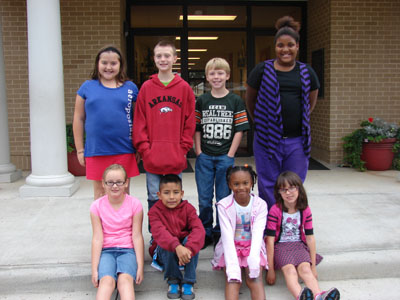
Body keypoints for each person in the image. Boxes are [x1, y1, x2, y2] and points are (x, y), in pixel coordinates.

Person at [245, 16, 320, 209]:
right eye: (280, 45)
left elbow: (310, 104)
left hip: (297, 140)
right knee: (268, 184)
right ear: (275, 46)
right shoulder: (262, 70)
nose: (285, 49)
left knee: (293, 185)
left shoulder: (307, 72)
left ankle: (290, 223)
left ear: (297, 46)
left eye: (290, 45)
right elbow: (250, 100)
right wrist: (262, 124)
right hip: (267, 140)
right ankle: (271, 225)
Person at [133, 40, 196, 218]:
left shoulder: (184, 88)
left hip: (175, 155)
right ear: (154, 59)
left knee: (173, 196)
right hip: (153, 156)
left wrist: (183, 148)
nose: (163, 59)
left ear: (175, 58)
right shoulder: (146, 87)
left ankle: (174, 232)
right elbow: (139, 121)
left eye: (167, 55)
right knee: (154, 196)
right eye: (159, 56)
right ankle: (156, 236)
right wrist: (145, 149)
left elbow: (189, 122)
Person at [195, 57, 250, 249]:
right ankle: (205, 232)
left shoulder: (235, 100)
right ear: (207, 77)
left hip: (224, 157)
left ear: (227, 75)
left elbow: (239, 129)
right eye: (212, 73)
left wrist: (230, 154)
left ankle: (221, 232)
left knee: (223, 198)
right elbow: (197, 128)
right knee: (204, 198)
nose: (216, 77)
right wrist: (198, 151)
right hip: (205, 157)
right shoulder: (202, 100)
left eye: (220, 73)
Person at [73, 45, 140, 200]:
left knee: (123, 194)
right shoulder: (87, 87)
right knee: (100, 194)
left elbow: (138, 119)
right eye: (104, 63)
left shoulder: (130, 88)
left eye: (113, 63)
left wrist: (138, 147)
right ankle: (101, 225)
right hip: (97, 150)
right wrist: (80, 150)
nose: (108, 67)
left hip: (124, 148)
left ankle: (124, 225)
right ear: (98, 64)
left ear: (120, 65)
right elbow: (78, 118)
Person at [266, 171, 340, 300]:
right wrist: (270, 269)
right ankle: (301, 297)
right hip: (281, 247)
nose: (288, 193)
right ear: (279, 193)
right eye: (283, 190)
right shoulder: (275, 210)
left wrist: (313, 266)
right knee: (290, 271)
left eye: (292, 188)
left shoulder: (305, 209)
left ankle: (319, 296)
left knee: (305, 269)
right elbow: (270, 241)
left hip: (299, 245)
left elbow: (310, 237)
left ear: (299, 188)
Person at [211, 165, 267, 300]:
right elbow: (226, 237)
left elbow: (258, 234)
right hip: (232, 247)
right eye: (236, 184)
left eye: (245, 183)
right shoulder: (224, 205)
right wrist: (232, 268)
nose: (241, 187)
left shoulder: (260, 205)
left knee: (255, 280)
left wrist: (253, 262)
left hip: (252, 246)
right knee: (233, 280)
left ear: (252, 183)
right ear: (229, 185)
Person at [90, 164, 144, 300]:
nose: (115, 186)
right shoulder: (96, 206)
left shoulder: (135, 204)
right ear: (103, 183)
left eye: (119, 182)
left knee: (125, 281)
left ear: (126, 183)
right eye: (110, 182)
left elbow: (137, 236)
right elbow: (97, 238)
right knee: (106, 281)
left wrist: (140, 266)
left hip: (127, 250)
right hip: (107, 251)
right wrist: (94, 269)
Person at [148, 174, 205, 300]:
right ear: (159, 195)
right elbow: (160, 233)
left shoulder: (188, 208)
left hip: (185, 252)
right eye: (167, 193)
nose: (172, 197)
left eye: (176, 192)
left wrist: (188, 247)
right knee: (165, 242)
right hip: (165, 253)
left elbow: (198, 229)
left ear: (182, 193)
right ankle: (173, 279)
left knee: (193, 239)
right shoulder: (154, 212)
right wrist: (177, 247)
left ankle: (189, 281)